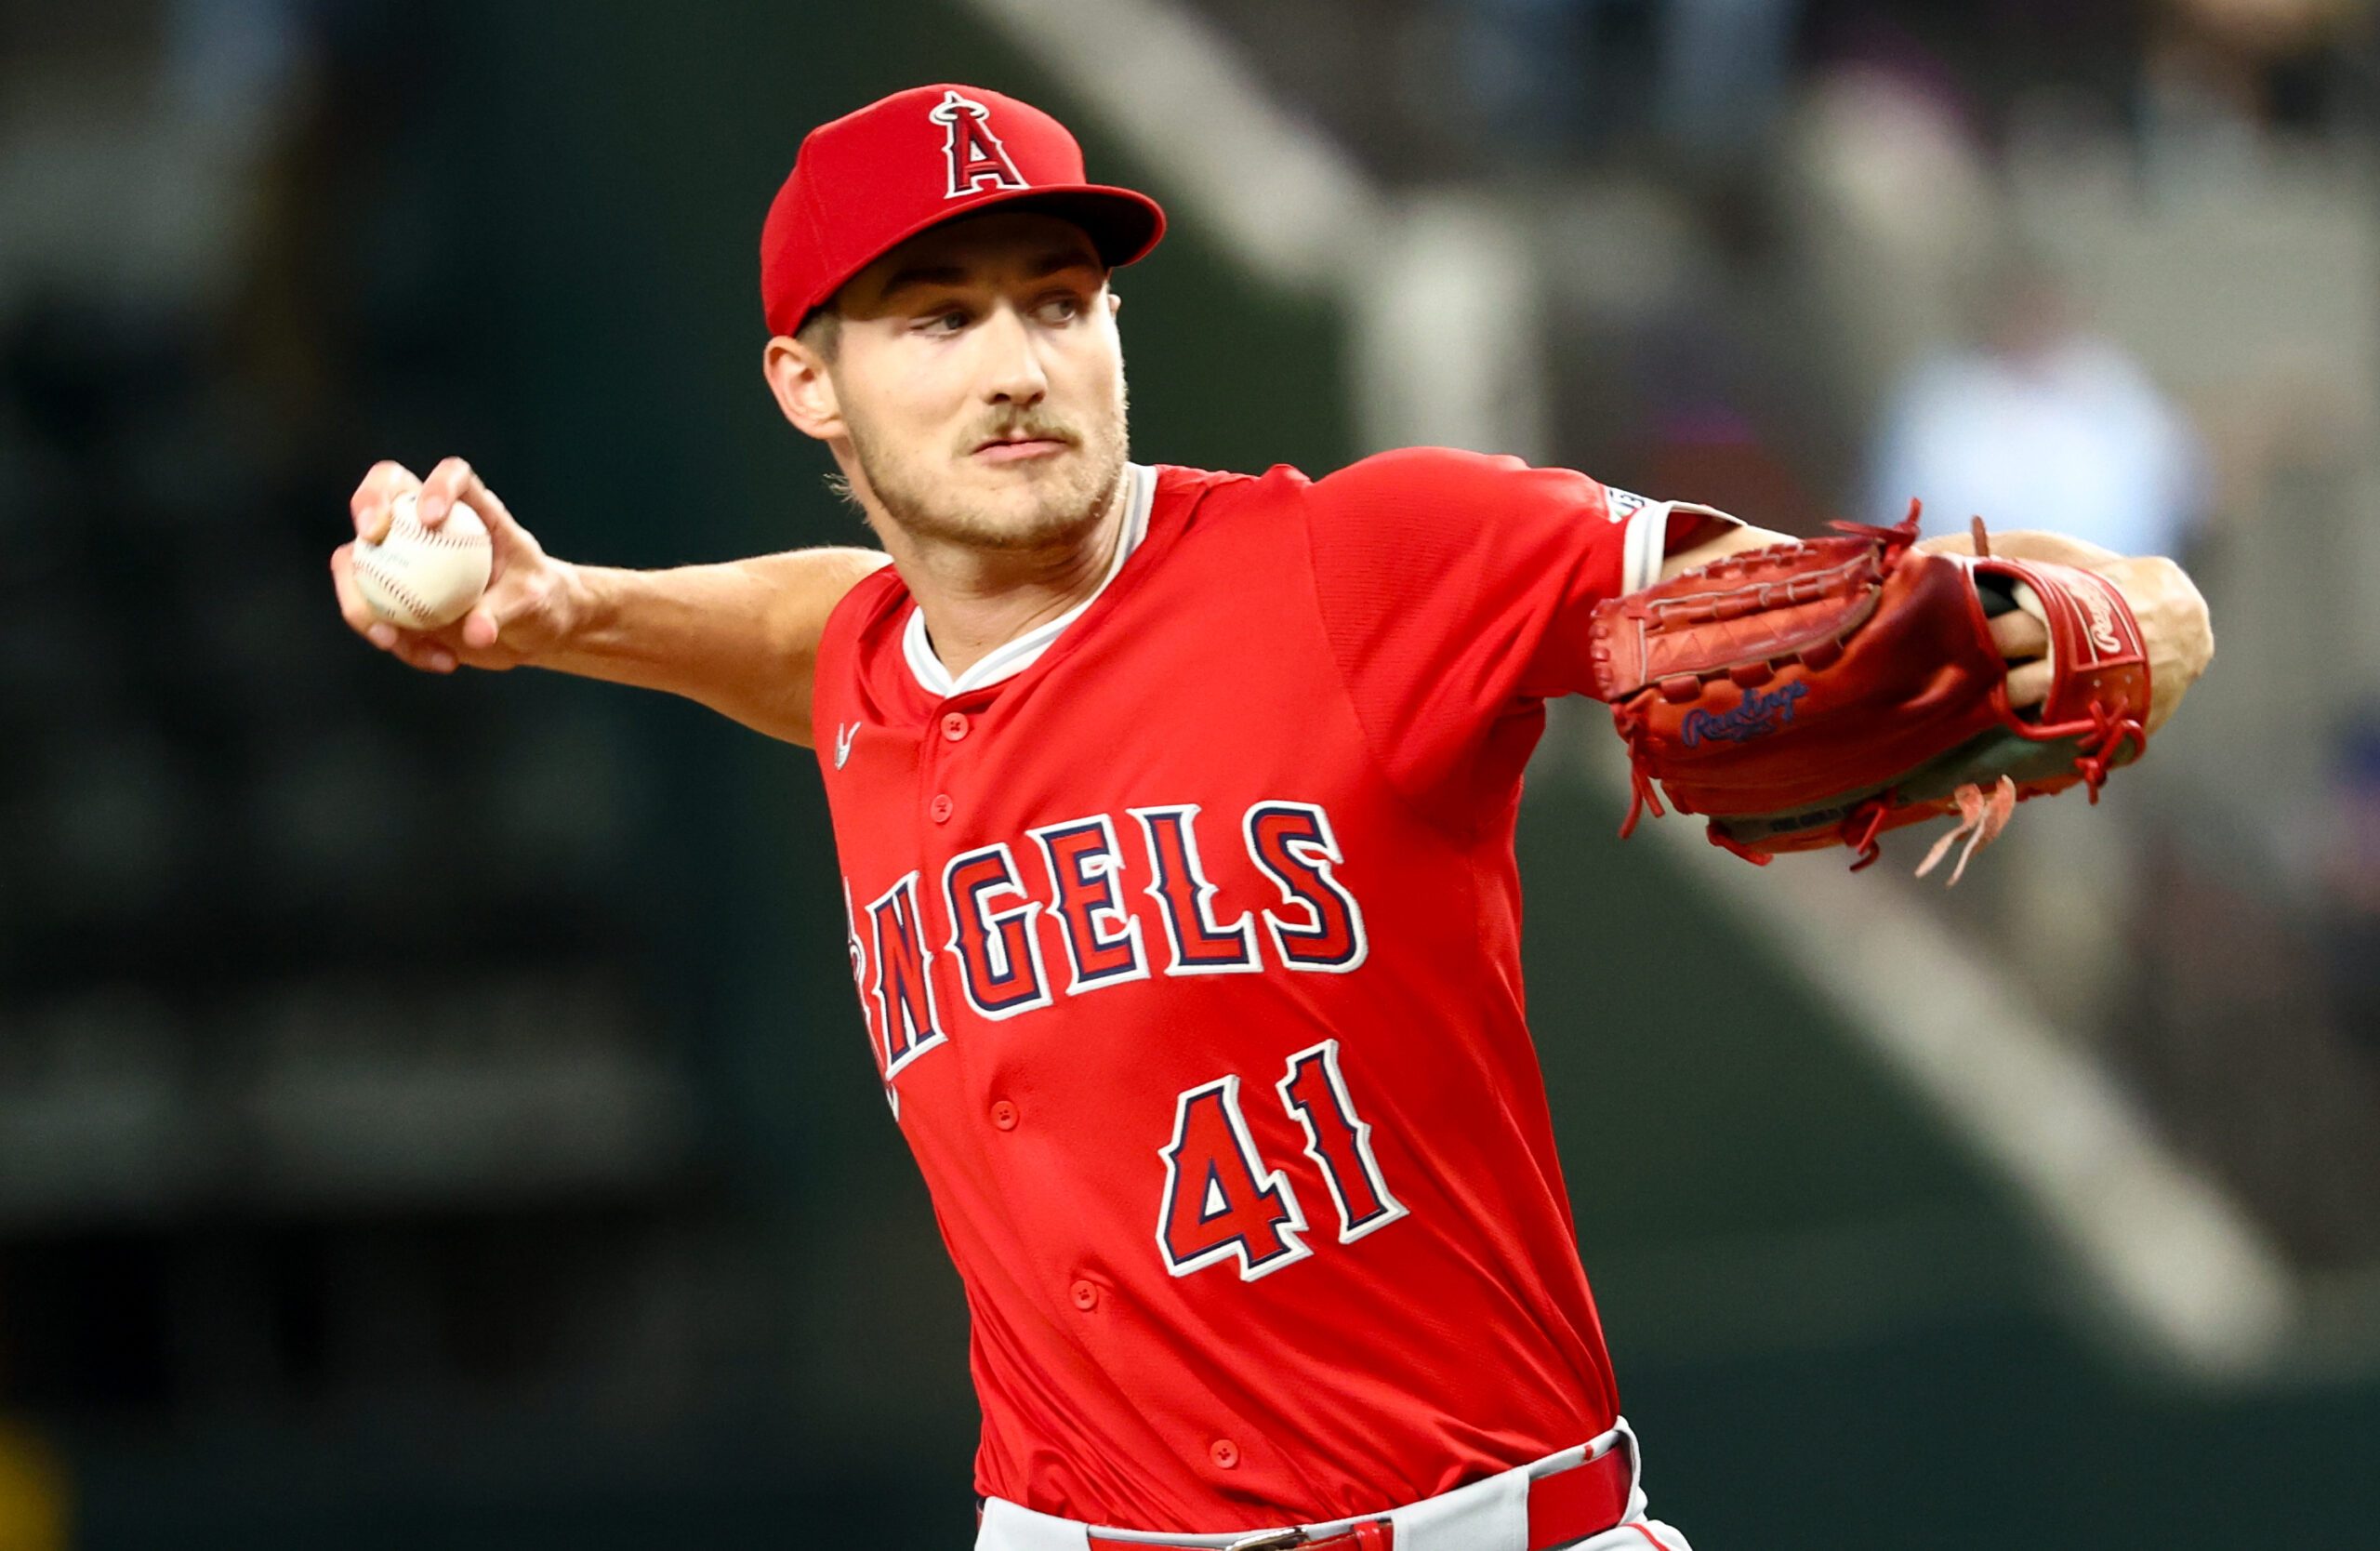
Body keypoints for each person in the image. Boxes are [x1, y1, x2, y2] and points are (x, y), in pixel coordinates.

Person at [329, 85, 2213, 1551]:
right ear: (802, 380)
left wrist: (2106, 622)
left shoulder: (1365, 559)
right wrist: (564, 607)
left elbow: (1817, 612)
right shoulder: (875, 673)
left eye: (1058, 300)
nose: (1017, 364)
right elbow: (827, 635)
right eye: (936, 316)